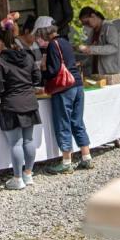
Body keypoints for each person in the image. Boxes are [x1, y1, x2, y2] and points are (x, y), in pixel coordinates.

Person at [36, 16, 93, 174]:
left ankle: (66, 161)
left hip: (64, 89)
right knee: (77, 122)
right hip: (77, 85)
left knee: (63, 124)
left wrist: (43, 69)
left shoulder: (53, 45)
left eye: (39, 35)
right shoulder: (65, 42)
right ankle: (86, 157)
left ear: (43, 32)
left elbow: (54, 71)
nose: (39, 39)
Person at [0, 26, 41, 190]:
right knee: (29, 140)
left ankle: (17, 179)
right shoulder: (27, 56)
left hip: (11, 105)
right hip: (30, 103)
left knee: (16, 144)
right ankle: (28, 175)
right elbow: (37, 78)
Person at [77, 6, 120, 82]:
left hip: (112, 71)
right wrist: (83, 63)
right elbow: (95, 55)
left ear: (93, 16)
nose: (87, 26)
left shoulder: (109, 28)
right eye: (84, 24)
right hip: (98, 73)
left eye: (87, 22)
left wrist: (89, 49)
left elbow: (113, 48)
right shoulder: (93, 32)